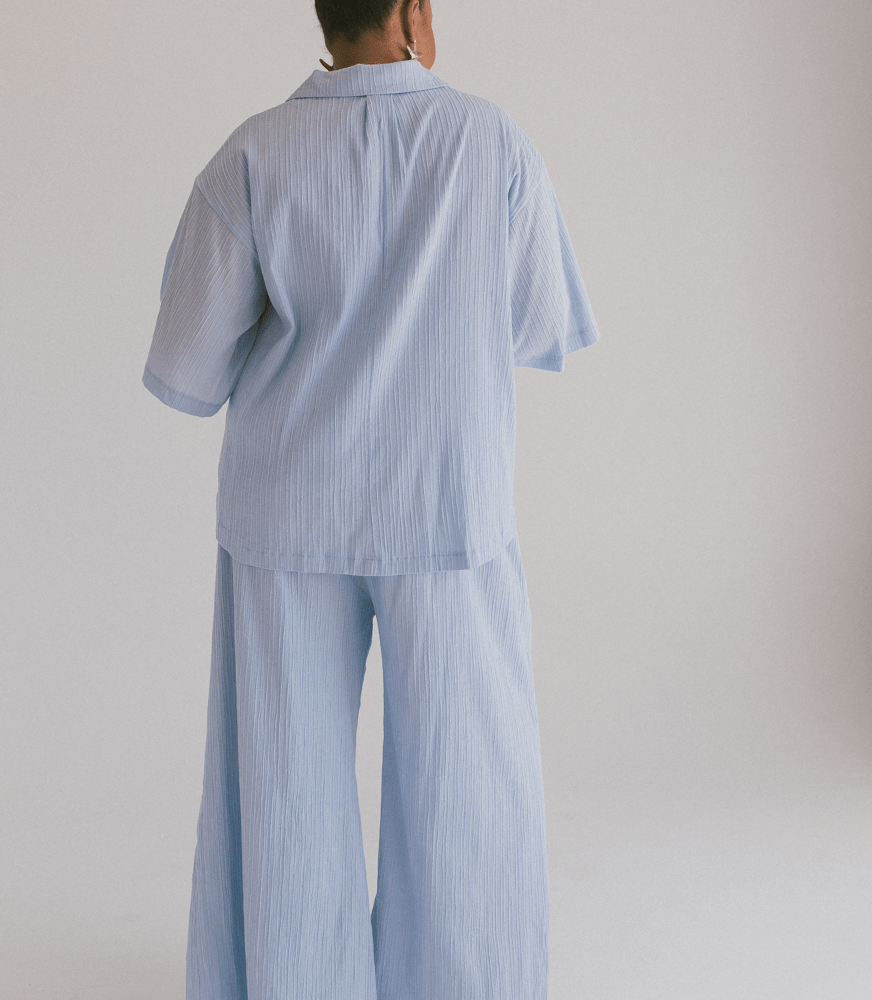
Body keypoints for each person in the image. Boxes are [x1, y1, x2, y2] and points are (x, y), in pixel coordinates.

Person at [141, 1, 601, 997]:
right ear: (413, 12)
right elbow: (535, 324)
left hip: (287, 511)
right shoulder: (492, 143)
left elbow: (187, 368)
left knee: (284, 779)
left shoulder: (252, 156)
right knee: (468, 778)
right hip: (449, 503)